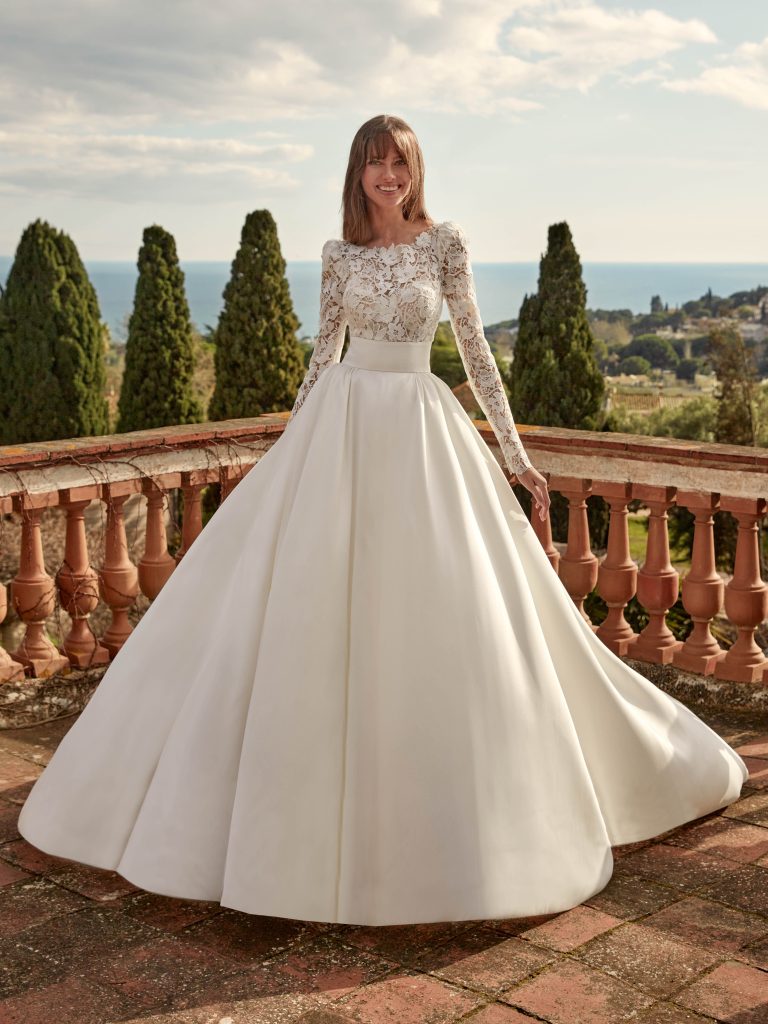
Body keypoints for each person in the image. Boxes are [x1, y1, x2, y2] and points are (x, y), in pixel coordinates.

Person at [17, 114, 747, 927]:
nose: (387, 174)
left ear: (415, 168)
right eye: (373, 163)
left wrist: (514, 453)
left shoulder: (445, 245)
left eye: (398, 161)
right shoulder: (337, 257)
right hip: (338, 433)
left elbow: (474, 351)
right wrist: (292, 458)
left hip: (423, 434)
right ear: (357, 174)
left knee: (441, 613)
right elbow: (322, 353)